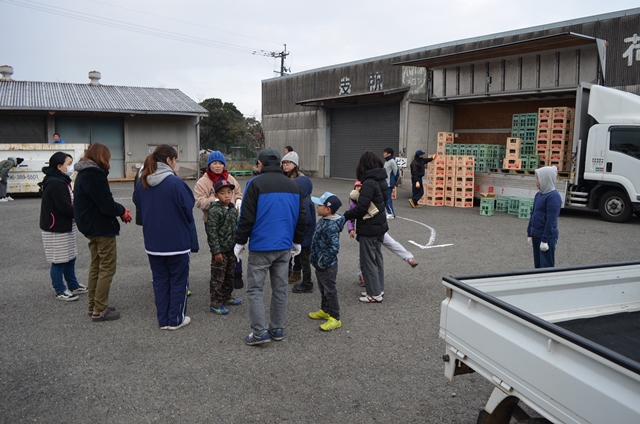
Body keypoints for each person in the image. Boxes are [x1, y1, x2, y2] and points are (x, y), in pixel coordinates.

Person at [234, 148, 306, 346]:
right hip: (284, 246)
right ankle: (277, 328)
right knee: (280, 289)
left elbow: (246, 217)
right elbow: (301, 217)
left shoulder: (254, 183)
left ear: (260, 163)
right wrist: (297, 241)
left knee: (255, 289)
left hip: (261, 245)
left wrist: (240, 241)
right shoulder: (294, 186)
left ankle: (259, 332)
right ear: (279, 164)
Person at [134, 145, 195, 330]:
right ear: (169, 160)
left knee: (160, 280)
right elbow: (188, 207)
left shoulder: (142, 182)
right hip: (177, 241)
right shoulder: (175, 182)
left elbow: (138, 205)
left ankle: (163, 319)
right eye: (175, 160)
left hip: (153, 242)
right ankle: (175, 319)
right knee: (178, 281)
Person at [73, 143, 130, 322]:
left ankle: (94, 305)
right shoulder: (95, 175)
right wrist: (122, 210)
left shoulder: (82, 173)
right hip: (101, 227)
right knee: (107, 267)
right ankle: (100, 309)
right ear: (102, 157)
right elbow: (106, 205)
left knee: (96, 266)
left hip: (89, 226)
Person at [347, 181, 417, 288]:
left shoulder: (373, 199)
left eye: (360, 187)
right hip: (364, 233)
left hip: (378, 230)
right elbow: (350, 218)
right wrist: (351, 229)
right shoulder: (354, 204)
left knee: (392, 243)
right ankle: (362, 276)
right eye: (356, 187)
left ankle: (409, 258)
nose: (359, 189)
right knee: (363, 256)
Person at [39, 152, 87, 301]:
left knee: (70, 256)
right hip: (56, 227)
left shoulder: (62, 180)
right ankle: (59, 289)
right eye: (69, 164)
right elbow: (64, 207)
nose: (71, 167)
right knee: (59, 260)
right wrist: (81, 214)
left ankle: (73, 284)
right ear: (59, 166)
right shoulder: (55, 183)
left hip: (66, 225)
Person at [343, 151, 388, 303]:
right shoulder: (381, 180)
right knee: (377, 257)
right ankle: (378, 288)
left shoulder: (369, 182)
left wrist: (346, 215)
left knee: (368, 260)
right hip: (380, 224)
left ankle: (374, 294)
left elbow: (362, 208)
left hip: (369, 226)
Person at [194, 151, 244, 288]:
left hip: (232, 220)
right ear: (209, 165)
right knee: (218, 249)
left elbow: (238, 192)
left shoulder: (230, 178)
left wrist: (238, 200)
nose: (218, 166)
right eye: (215, 163)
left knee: (236, 246)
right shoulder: (202, 182)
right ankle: (219, 276)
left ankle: (236, 274)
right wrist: (215, 200)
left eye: (221, 163)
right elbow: (199, 202)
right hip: (213, 222)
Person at [308, 192, 346, 331]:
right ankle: (325, 310)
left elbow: (334, 247)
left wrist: (322, 262)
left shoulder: (330, 226)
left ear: (328, 209)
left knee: (330, 291)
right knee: (323, 288)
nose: (317, 207)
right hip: (320, 264)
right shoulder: (324, 219)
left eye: (319, 205)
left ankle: (335, 317)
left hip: (327, 266)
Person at [281, 151, 316, 293]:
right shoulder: (283, 177)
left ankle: (300, 276)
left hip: (300, 228)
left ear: (295, 165)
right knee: (289, 250)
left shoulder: (301, 182)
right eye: (284, 162)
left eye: (288, 163)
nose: (285, 165)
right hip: (291, 223)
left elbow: (305, 218)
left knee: (302, 255)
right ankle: (289, 271)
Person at [206, 179, 243, 315]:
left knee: (229, 275)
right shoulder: (215, 211)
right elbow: (212, 232)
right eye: (222, 193)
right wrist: (216, 251)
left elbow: (236, 228)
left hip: (231, 250)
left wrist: (238, 245)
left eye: (229, 192)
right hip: (220, 251)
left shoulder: (232, 209)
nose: (226, 196)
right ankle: (215, 303)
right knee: (218, 278)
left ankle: (227, 297)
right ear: (216, 195)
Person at [527, 166, 562, 269]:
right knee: (538, 266)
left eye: (538, 179)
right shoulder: (538, 195)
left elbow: (551, 220)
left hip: (547, 237)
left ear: (545, 180)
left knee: (546, 267)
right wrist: (529, 233)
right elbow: (533, 214)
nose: (536, 182)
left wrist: (545, 240)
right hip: (536, 235)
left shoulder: (553, 197)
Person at [382, 148, 400, 219]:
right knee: (385, 198)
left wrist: (395, 181)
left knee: (387, 198)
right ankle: (389, 212)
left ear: (389, 154)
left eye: (385, 153)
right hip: (385, 182)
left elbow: (396, 172)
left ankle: (391, 213)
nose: (383, 154)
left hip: (389, 183)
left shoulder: (392, 161)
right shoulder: (386, 161)